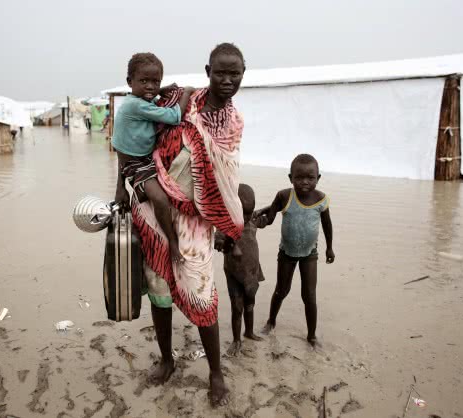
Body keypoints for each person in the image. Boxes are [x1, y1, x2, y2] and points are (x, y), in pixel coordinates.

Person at [129, 43, 246, 407]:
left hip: (196, 223)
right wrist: (124, 185)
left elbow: (227, 180)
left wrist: (228, 226)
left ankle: (215, 373)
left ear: (244, 74)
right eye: (220, 72)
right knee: (159, 289)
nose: (227, 80)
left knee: (202, 295)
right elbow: (137, 142)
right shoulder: (178, 102)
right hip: (154, 211)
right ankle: (167, 360)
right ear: (208, 70)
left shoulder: (233, 124)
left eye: (235, 73)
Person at [112, 52, 195, 264]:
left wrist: (162, 91)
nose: (150, 86)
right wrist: (186, 93)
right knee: (159, 199)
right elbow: (175, 117)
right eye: (144, 81)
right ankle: (173, 243)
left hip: (143, 156)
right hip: (136, 163)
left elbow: (156, 97)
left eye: (155, 82)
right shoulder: (136, 105)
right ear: (130, 82)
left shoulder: (140, 99)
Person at [254, 154, 335, 348]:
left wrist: (330, 247)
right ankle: (271, 321)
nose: (305, 182)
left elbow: (327, 224)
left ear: (318, 178)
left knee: (309, 295)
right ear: (291, 178)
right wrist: (260, 221)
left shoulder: (322, 200)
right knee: (281, 290)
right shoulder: (284, 196)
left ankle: (312, 335)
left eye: (310, 177)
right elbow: (271, 216)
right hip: (287, 253)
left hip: (310, 254)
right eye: (299, 178)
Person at [214, 184, 264, 357]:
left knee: (250, 304)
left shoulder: (252, 221)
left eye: (249, 212)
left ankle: (248, 332)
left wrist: (271, 209)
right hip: (234, 274)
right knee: (237, 308)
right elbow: (217, 243)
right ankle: (236, 340)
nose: (245, 217)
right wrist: (226, 243)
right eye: (242, 212)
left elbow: (266, 218)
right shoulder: (224, 225)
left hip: (251, 273)